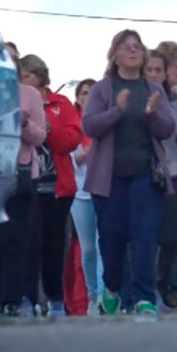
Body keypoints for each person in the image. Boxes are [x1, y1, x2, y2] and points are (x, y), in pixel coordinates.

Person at [82, 29, 176, 316]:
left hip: (145, 175)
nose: (134, 51)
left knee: (145, 236)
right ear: (115, 55)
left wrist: (151, 114)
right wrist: (117, 111)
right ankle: (111, 288)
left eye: (138, 47)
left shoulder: (154, 89)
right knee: (112, 236)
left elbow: (167, 129)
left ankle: (144, 297)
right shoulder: (103, 88)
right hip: (109, 178)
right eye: (127, 47)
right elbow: (89, 126)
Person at [20, 54, 83, 317]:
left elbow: (71, 139)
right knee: (28, 243)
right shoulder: (18, 102)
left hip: (58, 187)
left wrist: (50, 130)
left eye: (27, 75)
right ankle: (27, 298)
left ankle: (56, 300)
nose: (23, 81)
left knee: (55, 246)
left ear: (41, 76)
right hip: (29, 184)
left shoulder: (61, 103)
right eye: (20, 76)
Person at [0, 45, 47, 317]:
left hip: (22, 173)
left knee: (17, 238)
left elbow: (41, 137)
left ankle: (12, 298)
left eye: (14, 61)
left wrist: (23, 124)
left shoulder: (30, 95)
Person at [146, 49, 177, 311]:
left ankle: (164, 282)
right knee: (143, 238)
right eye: (148, 70)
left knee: (172, 238)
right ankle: (145, 291)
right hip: (142, 174)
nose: (153, 75)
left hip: (173, 174)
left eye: (158, 70)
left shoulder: (176, 100)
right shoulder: (132, 97)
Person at [69, 78, 103, 315]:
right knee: (88, 249)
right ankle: (91, 294)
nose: (87, 96)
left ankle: (103, 297)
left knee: (103, 245)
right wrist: (85, 153)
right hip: (79, 192)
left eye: (92, 92)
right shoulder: (72, 123)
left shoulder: (103, 123)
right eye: (83, 92)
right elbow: (66, 158)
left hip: (104, 190)